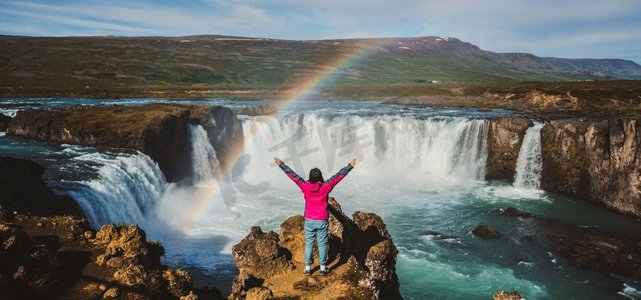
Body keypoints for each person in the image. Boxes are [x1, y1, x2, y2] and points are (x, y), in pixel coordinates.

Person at [274, 157, 356, 276]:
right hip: (322, 219)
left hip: (309, 219)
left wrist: (281, 164)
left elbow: (293, 175)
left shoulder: (305, 186)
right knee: (322, 243)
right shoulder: (325, 187)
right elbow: (338, 176)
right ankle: (323, 268)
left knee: (309, 243)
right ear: (320, 177)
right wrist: (350, 166)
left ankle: (307, 268)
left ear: (310, 177)